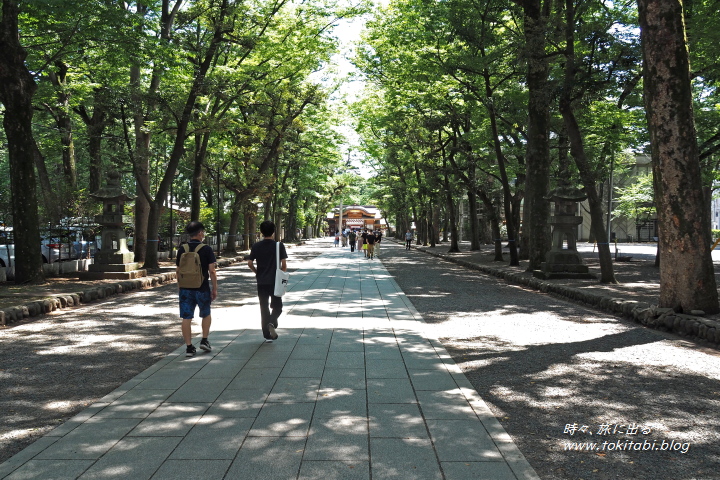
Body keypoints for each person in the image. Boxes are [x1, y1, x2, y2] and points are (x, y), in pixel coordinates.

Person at [177, 221, 218, 357]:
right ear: (200, 233)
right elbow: (212, 271)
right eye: (203, 232)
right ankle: (204, 340)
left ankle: (189, 347)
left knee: (186, 317)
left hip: (185, 288)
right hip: (202, 287)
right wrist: (214, 288)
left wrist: (180, 287)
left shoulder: (182, 249)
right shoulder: (206, 249)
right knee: (205, 313)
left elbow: (178, 270)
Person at [247, 220, 288, 343]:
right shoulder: (278, 245)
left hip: (261, 281)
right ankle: (272, 321)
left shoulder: (256, 246)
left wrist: (257, 272)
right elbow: (284, 265)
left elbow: (249, 263)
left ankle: (267, 335)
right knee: (277, 307)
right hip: (275, 280)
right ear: (274, 231)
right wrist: (282, 275)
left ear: (261, 231)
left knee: (264, 307)